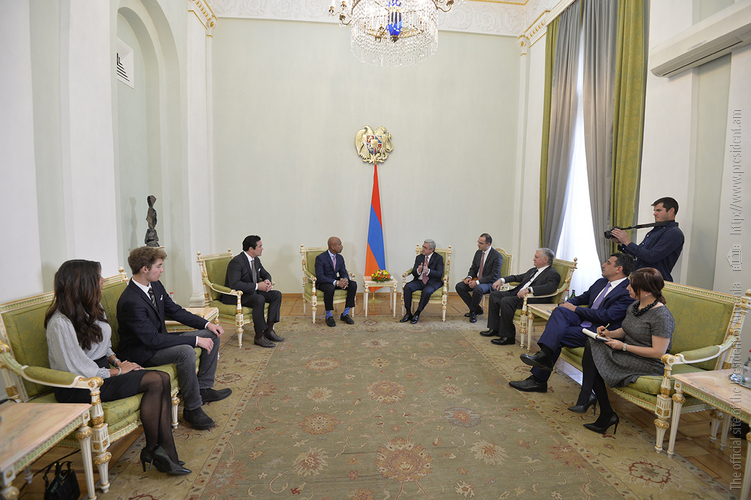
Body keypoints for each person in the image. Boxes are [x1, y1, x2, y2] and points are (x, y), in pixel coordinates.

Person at [46, 260, 190, 475]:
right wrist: (118, 372)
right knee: (156, 380)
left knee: (162, 378)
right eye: (98, 277)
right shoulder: (60, 323)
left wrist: (117, 361)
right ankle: (156, 451)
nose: (103, 280)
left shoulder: (93, 306)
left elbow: (104, 346)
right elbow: (78, 368)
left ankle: (161, 450)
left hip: (101, 372)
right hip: (80, 385)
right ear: (83, 283)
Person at [117, 247, 231, 431]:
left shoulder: (155, 285)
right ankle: (192, 408)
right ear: (145, 269)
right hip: (143, 351)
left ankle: (203, 389)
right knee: (186, 351)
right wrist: (195, 341)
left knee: (212, 334)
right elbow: (152, 340)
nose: (162, 270)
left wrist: (206, 324)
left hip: (158, 340)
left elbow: (175, 311)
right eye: (159, 266)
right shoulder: (131, 300)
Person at [508, 253, 635, 393]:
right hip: (583, 321)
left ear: (619, 269)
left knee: (557, 334)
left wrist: (575, 309)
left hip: (599, 331)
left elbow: (606, 316)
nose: (603, 265)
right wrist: (566, 303)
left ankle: (539, 377)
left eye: (608, 263)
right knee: (560, 311)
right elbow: (581, 298)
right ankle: (543, 359)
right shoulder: (601, 282)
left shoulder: (627, 290)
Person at [573, 267, 675, 435]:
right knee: (592, 343)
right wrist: (609, 334)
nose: (627, 288)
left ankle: (598, 406)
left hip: (649, 362)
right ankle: (600, 408)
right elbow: (626, 330)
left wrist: (624, 347)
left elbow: (658, 352)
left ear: (647, 291)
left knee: (594, 355)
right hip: (629, 352)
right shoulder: (635, 305)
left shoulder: (661, 316)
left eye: (632, 285)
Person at [480, 248, 560, 346]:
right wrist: (501, 280)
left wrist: (529, 289)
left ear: (545, 259)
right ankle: (494, 329)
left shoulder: (553, 274)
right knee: (494, 295)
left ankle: (508, 336)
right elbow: (517, 277)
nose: (533, 259)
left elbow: (550, 288)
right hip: (516, 294)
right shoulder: (533, 270)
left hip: (530, 299)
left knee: (506, 301)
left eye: (536, 257)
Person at [222, 235, 284, 348]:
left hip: (251, 292)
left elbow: (266, 273)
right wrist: (257, 286)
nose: (262, 248)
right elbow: (235, 284)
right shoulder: (236, 262)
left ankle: (269, 331)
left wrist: (267, 281)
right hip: (237, 296)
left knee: (276, 295)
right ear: (251, 249)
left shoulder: (256, 260)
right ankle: (259, 336)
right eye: (260, 246)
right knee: (259, 299)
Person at [608, 196, 684, 282]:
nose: (654, 214)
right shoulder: (657, 231)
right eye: (654, 210)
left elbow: (651, 257)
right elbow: (639, 256)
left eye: (658, 210)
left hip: (653, 283)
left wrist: (627, 242)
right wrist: (622, 243)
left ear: (671, 211)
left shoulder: (673, 233)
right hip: (641, 279)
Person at [455, 233, 502, 323]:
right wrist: (469, 277)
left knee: (478, 288)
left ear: (488, 244)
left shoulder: (497, 256)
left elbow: (494, 275)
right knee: (459, 286)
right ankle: (477, 309)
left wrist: (477, 282)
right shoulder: (478, 253)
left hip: (491, 283)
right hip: (478, 280)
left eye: (481, 243)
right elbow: (473, 268)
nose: (478, 244)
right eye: (478, 242)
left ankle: (472, 311)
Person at [315, 236, 357, 327]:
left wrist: (345, 280)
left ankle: (345, 314)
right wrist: (337, 282)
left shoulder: (340, 258)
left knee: (353, 284)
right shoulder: (320, 258)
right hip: (324, 282)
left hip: (335, 280)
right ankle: (328, 315)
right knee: (330, 288)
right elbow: (320, 277)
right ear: (333, 247)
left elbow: (343, 272)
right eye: (340, 244)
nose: (342, 246)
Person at [400, 239, 444, 324]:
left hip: (432, 282)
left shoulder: (438, 258)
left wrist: (428, 271)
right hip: (419, 281)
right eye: (423, 246)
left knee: (426, 291)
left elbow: (439, 274)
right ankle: (408, 313)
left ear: (431, 250)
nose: (422, 249)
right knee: (407, 287)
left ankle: (417, 313)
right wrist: (418, 271)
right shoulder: (419, 257)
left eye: (425, 248)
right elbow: (414, 273)